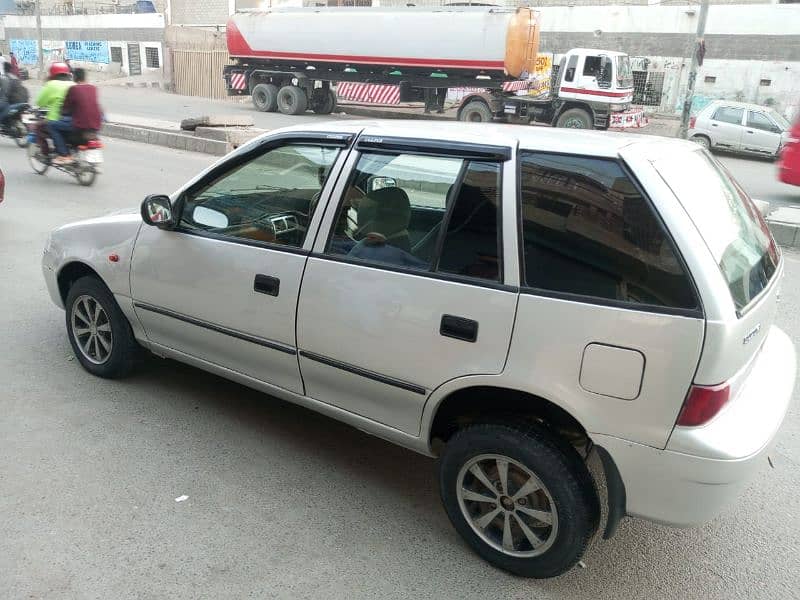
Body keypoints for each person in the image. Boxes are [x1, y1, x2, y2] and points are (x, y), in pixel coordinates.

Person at [50, 68, 102, 165]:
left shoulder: (74, 89)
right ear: (85, 77)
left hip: (79, 127)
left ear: (74, 78)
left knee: (52, 125)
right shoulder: (93, 88)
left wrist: (63, 113)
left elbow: (65, 107)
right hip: (95, 128)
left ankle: (64, 155)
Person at [35, 62, 73, 165]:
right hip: (72, 119)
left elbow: (40, 102)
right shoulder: (73, 84)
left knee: (38, 127)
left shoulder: (51, 84)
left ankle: (46, 154)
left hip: (55, 119)